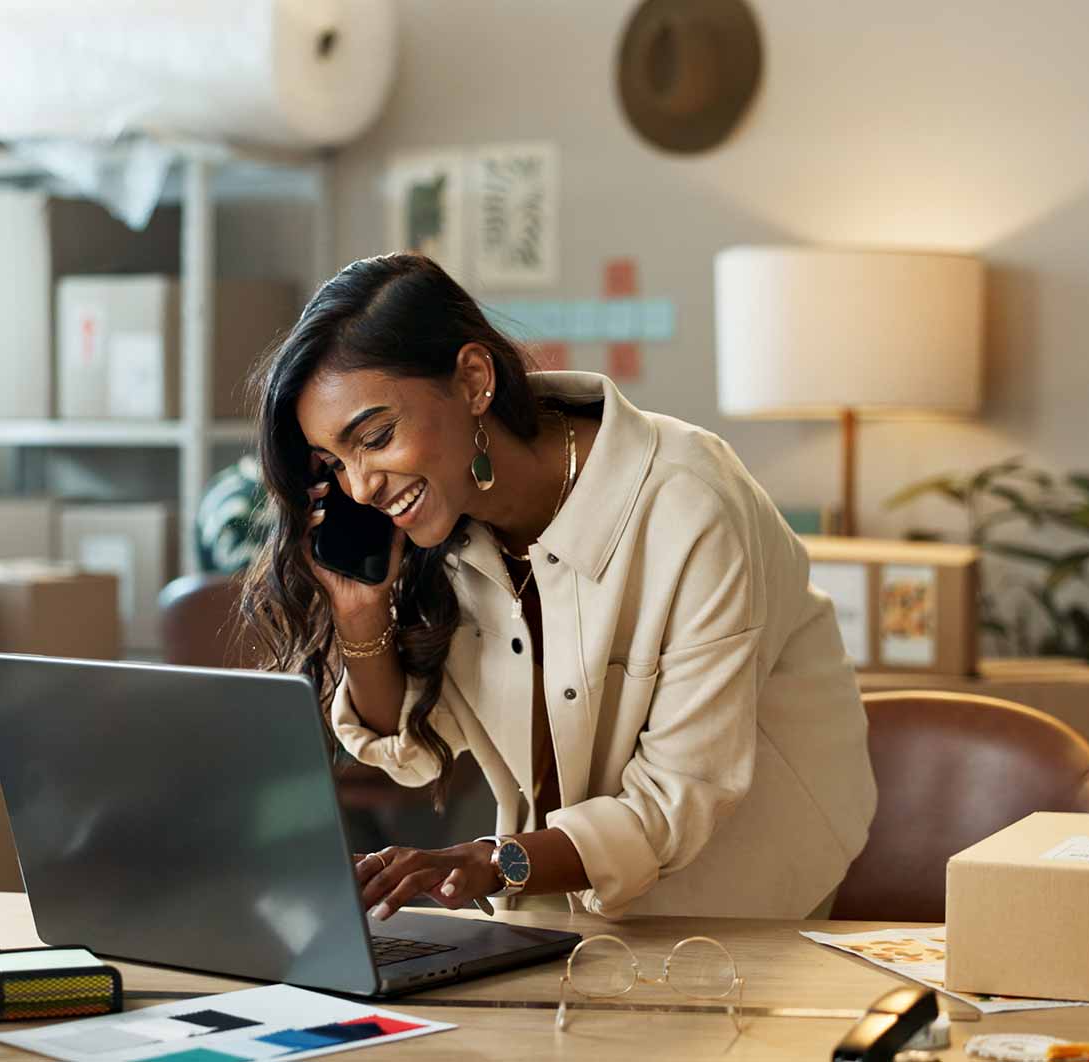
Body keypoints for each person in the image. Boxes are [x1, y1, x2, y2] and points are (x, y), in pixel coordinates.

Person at [241, 253, 876, 921]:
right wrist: (359, 615)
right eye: (335, 464)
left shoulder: (687, 502)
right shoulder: (446, 527)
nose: (361, 486)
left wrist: (486, 862)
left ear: (473, 380)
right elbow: (413, 756)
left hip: (741, 908)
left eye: (376, 437)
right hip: (556, 911)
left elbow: (677, 799)